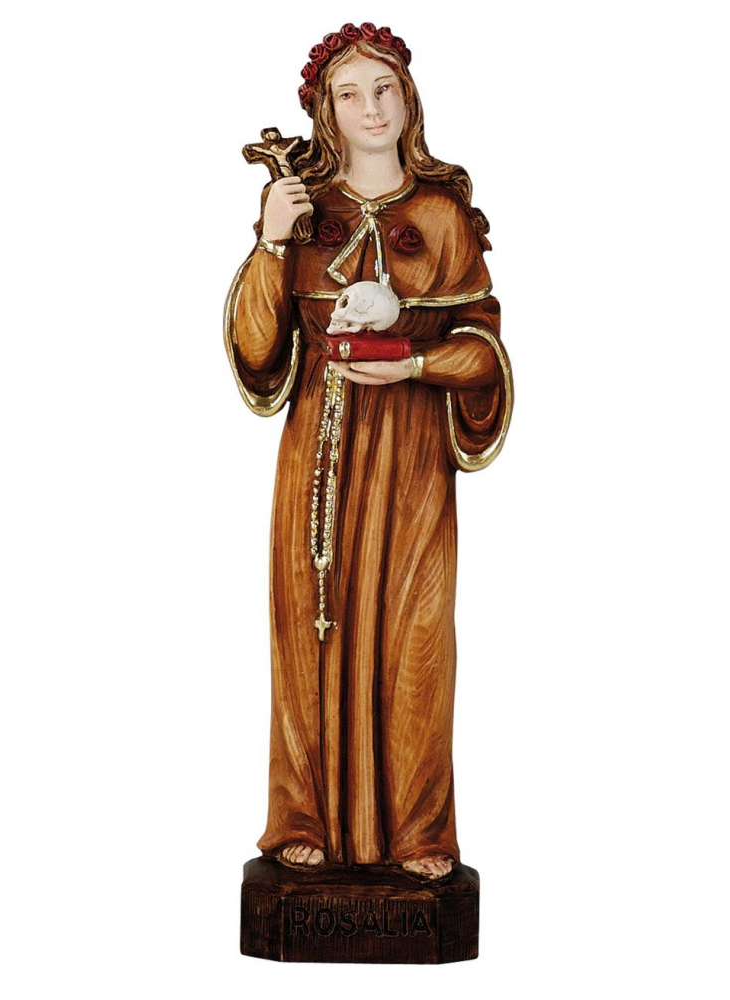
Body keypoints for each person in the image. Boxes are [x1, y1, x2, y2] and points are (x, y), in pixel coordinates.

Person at [224, 23, 513, 880]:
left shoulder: (443, 216)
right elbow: (256, 352)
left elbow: (484, 354)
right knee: (307, 627)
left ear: (408, 98)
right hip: (319, 453)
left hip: (413, 460)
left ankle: (420, 832)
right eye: (350, 95)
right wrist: (272, 240)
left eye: (384, 89)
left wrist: (414, 358)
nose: (371, 109)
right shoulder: (303, 210)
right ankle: (303, 818)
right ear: (326, 112)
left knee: (417, 638)